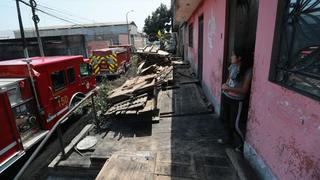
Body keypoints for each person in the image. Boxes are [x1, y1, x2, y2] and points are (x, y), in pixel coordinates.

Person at [218, 50, 253, 151]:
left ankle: (243, 145)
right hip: (226, 96)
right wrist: (225, 85)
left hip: (237, 100)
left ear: (239, 57)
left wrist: (228, 88)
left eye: (233, 55)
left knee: (235, 124)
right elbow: (229, 80)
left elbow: (244, 90)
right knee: (224, 119)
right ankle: (229, 138)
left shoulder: (248, 71)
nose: (231, 57)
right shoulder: (232, 66)